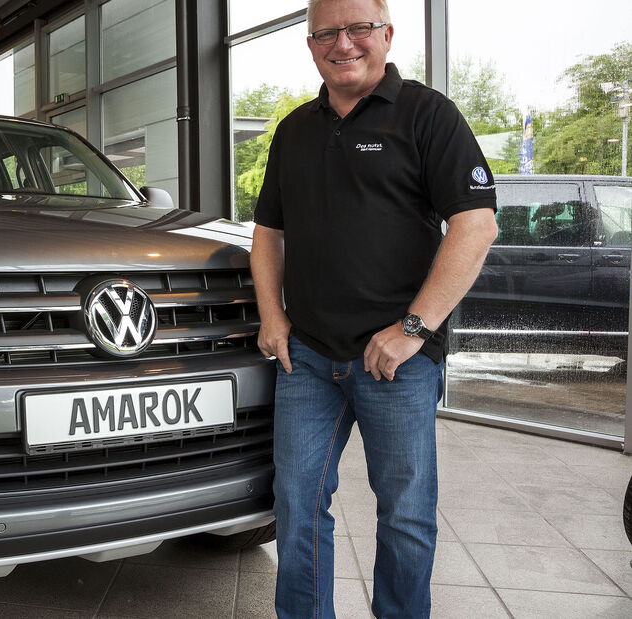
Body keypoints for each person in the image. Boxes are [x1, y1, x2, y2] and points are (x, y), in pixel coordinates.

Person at [250, 0, 499, 617]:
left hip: (397, 359)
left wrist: (414, 329)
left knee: (405, 515)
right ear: (311, 45)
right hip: (306, 357)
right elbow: (267, 233)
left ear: (387, 34)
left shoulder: (427, 114)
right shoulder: (294, 130)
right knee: (297, 506)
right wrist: (272, 316)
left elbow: (476, 224)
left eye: (359, 28)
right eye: (327, 33)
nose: (344, 44)